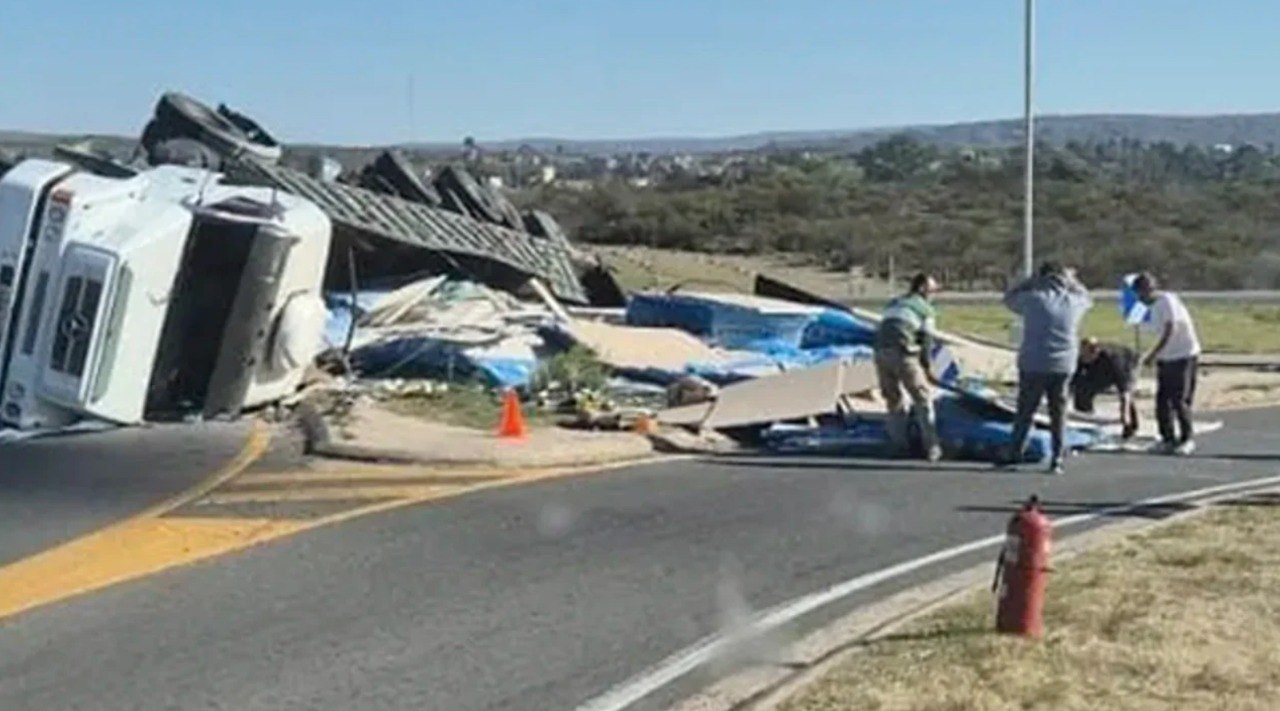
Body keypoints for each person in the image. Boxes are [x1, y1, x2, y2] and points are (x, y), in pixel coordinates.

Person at [1000, 262, 1093, 474]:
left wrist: (1031, 280)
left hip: (1033, 362)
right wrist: (1072, 280)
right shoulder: (1074, 300)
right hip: (1063, 364)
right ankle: (1057, 457)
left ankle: (1015, 452)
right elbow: (1089, 298)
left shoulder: (1033, 299)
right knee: (1058, 413)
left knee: (1025, 410)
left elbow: (1008, 298)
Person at [873, 272, 942, 461]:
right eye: (932, 290)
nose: (934, 294)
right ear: (922, 288)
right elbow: (927, 340)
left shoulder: (894, 303)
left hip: (880, 353)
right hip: (903, 353)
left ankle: (899, 445)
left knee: (893, 401)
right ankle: (932, 447)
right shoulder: (925, 309)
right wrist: (928, 368)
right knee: (922, 398)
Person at [1134, 272, 1201, 455]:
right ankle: (1167, 438)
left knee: (1179, 399)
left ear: (1151, 290)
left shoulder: (1167, 300)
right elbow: (1143, 327)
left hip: (1183, 354)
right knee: (1162, 400)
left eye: (1143, 293)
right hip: (1166, 357)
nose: (1141, 298)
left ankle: (1187, 438)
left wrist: (1153, 354)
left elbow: (1170, 329)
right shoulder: (1150, 307)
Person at [1073, 337, 1140, 439]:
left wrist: (1124, 413)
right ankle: (1085, 423)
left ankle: (1130, 426)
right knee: (1083, 389)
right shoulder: (1081, 358)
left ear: (1095, 352)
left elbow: (1125, 390)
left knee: (1127, 397)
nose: (1084, 359)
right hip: (1099, 367)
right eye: (1082, 356)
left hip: (1127, 363)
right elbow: (1074, 380)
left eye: (1087, 357)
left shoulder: (1114, 359)